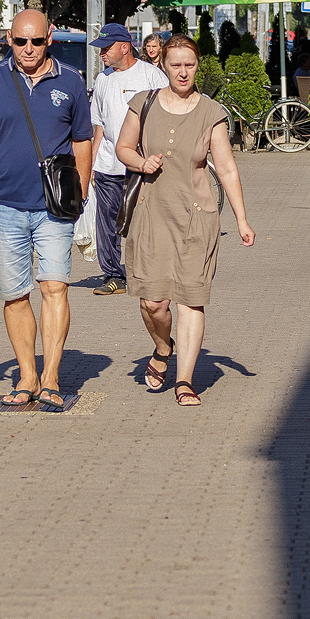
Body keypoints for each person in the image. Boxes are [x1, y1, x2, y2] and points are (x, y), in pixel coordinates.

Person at [0, 9, 93, 409]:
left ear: (49, 37)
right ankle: (27, 375)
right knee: (15, 295)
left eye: (35, 41)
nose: (28, 48)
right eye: (20, 41)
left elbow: (82, 141)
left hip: (54, 205)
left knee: (54, 286)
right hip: (5, 205)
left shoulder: (71, 81)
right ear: (9, 39)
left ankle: (51, 377)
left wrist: (81, 193)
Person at [115, 35, 255, 407]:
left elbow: (226, 168)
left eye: (189, 65)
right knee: (153, 303)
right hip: (151, 215)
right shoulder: (143, 103)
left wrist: (242, 219)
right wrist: (141, 162)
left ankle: (184, 380)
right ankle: (163, 348)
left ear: (197, 67)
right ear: (163, 65)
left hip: (196, 218)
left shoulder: (211, 112)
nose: (182, 72)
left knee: (190, 301)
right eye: (175, 64)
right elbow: (122, 147)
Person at [87, 23, 168, 295]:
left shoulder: (151, 76)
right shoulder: (103, 80)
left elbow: (168, 116)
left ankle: (149, 271)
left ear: (124, 47)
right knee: (107, 222)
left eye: (106, 48)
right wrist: (91, 164)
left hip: (143, 164)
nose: (101, 54)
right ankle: (113, 275)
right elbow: (99, 125)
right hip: (108, 164)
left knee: (144, 220)